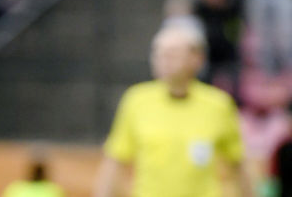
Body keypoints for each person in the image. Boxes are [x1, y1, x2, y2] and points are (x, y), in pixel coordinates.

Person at [94, 24, 254, 197]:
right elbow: (115, 163)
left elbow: (237, 166)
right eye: (158, 53)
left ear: (197, 58)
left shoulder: (218, 105)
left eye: (173, 54)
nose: (163, 60)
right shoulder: (136, 100)